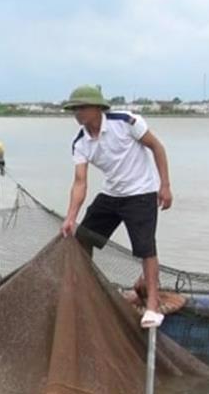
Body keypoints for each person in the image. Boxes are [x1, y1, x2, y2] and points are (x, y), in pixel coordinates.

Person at [59, 85, 173, 328]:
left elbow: (157, 147)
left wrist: (165, 185)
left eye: (81, 107)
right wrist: (70, 217)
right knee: (82, 238)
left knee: (145, 248)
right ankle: (86, 289)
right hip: (112, 193)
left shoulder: (125, 121)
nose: (77, 113)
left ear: (97, 107)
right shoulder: (81, 142)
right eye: (73, 109)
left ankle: (152, 305)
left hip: (141, 192)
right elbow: (80, 183)